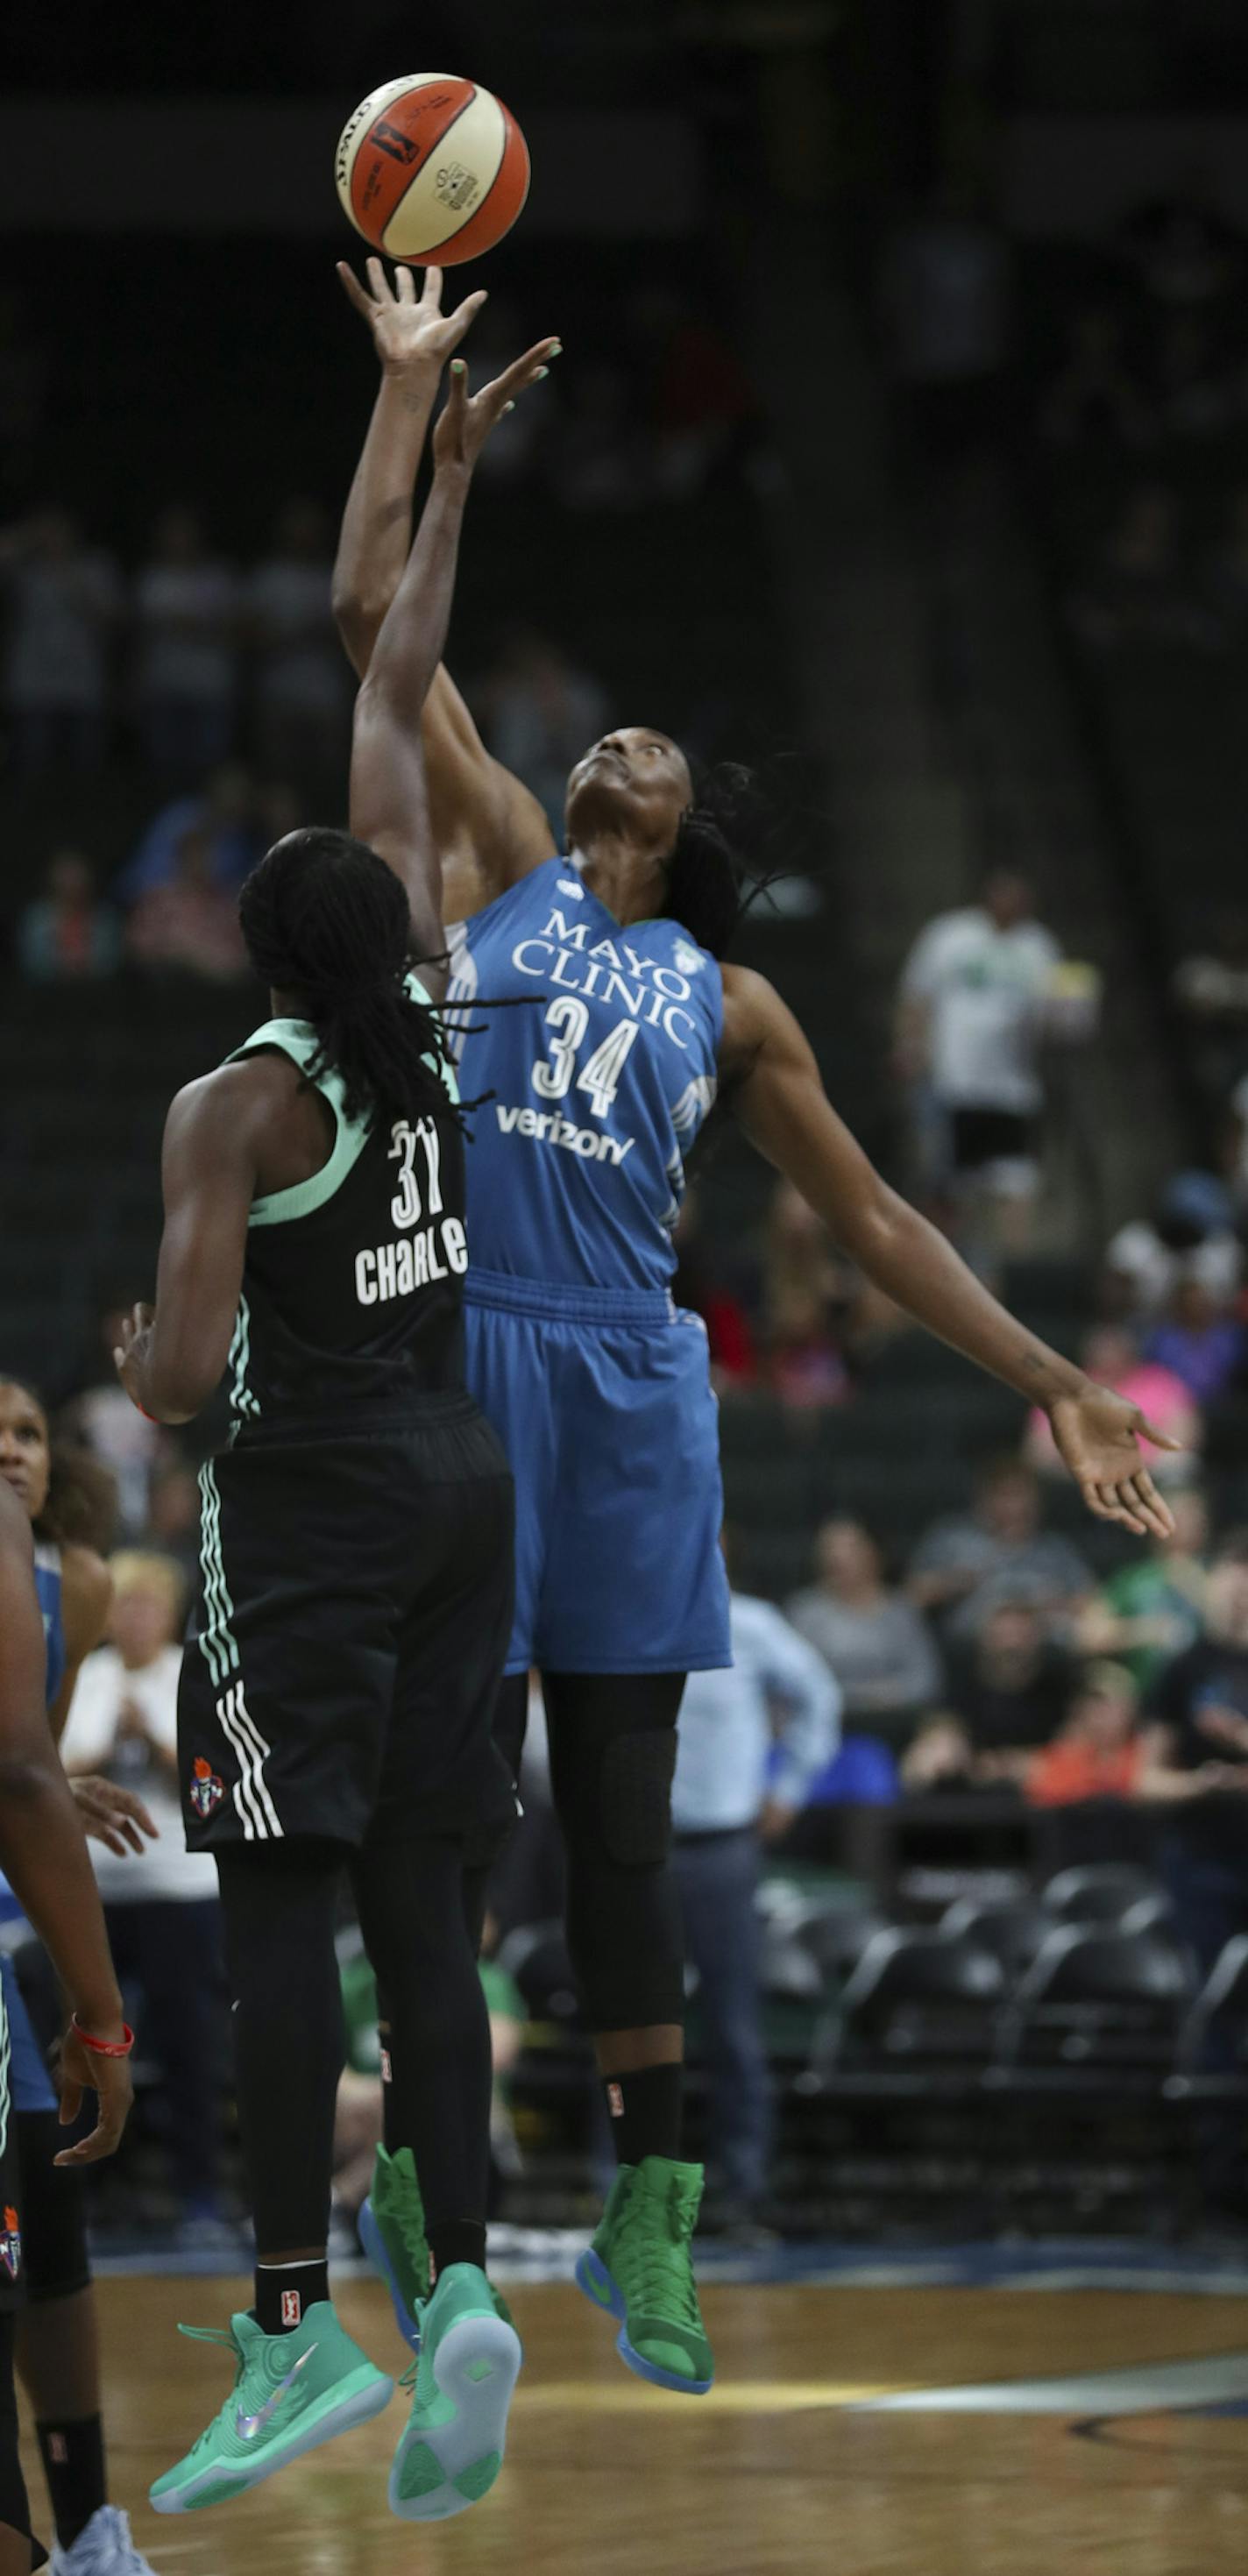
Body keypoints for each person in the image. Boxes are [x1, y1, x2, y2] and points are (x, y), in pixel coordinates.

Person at [333, 255, 1179, 2402]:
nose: (611, 731)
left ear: (685, 821)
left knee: (624, 1828)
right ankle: (421, 2187)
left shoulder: (736, 999)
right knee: (444, 1801)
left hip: (626, 1375)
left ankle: (652, 2209)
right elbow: (370, 623)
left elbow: (881, 1221)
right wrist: (423, 419)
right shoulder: (506, 862)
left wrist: (1058, 1370)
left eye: (650, 740)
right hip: (473, 1346)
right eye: (597, 726)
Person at [112, 334, 550, 2524]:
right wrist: (434, 456)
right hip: (466, 1482)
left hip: (304, 1508)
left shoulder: (241, 1099)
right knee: (427, 1908)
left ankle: (294, 2321)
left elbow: (187, 1386)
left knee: (281, 1900)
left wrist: (133, 1363)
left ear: (256, 941)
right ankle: (462, 2271)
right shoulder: (440, 1013)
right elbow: (397, 688)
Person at [0, 1382, 157, 2576]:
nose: (9, 1448)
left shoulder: (81, 1581)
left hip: (12, 1924)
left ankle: (90, 2526)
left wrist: (59, 1779)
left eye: (28, 1430)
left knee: (48, 2240)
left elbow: (25, 1757)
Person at [57, 1555, 225, 2235]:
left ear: (167, 1611)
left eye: (147, 1605)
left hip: (180, 1889)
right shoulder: (87, 1675)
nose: (135, 1618)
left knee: (190, 2043)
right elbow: (52, 1770)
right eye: (123, 1606)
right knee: (89, 2043)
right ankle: (91, 2195)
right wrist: (104, 1748)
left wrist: (153, 1739)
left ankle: (200, 2196)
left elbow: (214, 1778)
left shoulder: (192, 1671)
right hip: (93, 1891)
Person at [671, 1583, 838, 2233]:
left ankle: (743, 2187)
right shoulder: (624, 1611)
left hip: (722, 1842)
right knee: (626, 2025)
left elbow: (819, 1696)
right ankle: (623, 2197)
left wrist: (790, 1785)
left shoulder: (750, 1622)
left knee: (732, 2023)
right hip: (637, 1845)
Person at [895, 865, 1065, 1244]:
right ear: (988, 895)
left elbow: (1056, 1016)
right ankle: (943, 1267)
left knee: (1015, 1183)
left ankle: (1011, 1278)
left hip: (1013, 1089)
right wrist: (910, 1045)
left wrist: (1067, 1017)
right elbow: (917, 996)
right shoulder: (950, 935)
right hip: (953, 1082)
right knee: (948, 1188)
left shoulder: (1039, 945)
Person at [908, 1456, 1093, 1643]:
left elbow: (1090, 1603)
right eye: (1006, 1496)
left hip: (1043, 1647)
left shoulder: (1055, 1549)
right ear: (984, 1499)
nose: (1016, 1507)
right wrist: (954, 1582)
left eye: (1023, 1496)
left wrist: (1056, 1601)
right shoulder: (953, 1538)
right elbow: (913, 1596)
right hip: (969, 1646)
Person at [786, 1519, 941, 1729]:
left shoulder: (901, 1611)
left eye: (850, 1548)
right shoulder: (804, 1612)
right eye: (829, 1548)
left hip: (895, 1723)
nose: (837, 1557)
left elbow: (924, 1680)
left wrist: (881, 1698)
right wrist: (855, 1699)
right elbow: (794, 1679)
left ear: (874, 1553)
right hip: (825, 1725)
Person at [0, 510, 117, 774]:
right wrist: (26, 535)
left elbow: (110, 617)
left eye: (59, 529)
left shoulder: (95, 566)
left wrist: (67, 574)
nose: (54, 536)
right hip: (32, 683)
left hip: (84, 683)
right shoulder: (25, 570)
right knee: (33, 764)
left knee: (85, 765)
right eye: (48, 530)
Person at [245, 500, 351, 786]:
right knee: (279, 774)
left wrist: (319, 632)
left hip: (323, 694)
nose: (303, 535)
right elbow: (251, 634)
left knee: (326, 776)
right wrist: (293, 633)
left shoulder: (335, 576)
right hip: (278, 690)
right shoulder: (268, 578)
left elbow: (350, 635)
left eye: (310, 529)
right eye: (298, 528)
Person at [131, 507, 238, 777]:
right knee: (164, 766)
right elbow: (140, 634)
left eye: (185, 533)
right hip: (162, 684)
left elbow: (235, 627)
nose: (179, 539)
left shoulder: (218, 577)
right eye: (173, 533)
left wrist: (185, 624)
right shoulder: (152, 579)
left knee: (208, 768)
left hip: (209, 687)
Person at [1077, 1484, 1209, 1689]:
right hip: (1143, 1695)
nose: (1190, 1524)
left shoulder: (1220, 1574)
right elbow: (1088, 1635)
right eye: (1181, 1516)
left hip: (1202, 1697)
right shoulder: (1134, 1579)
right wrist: (1147, 1631)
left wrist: (1197, 1588)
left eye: (1196, 1517)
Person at [1027, 1662, 1158, 1807]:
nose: (1102, 1717)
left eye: (1113, 1707)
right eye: (1096, 1707)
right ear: (1080, 1710)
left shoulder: (1145, 1752)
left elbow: (1148, 1787)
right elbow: (1046, 1791)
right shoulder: (1065, 1752)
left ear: (1131, 1711)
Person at [17, 855, 122, 985]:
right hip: (46, 991)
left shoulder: (104, 917)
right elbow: (34, 963)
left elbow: (107, 963)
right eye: (66, 877)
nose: (71, 884)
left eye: (76, 877)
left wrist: (82, 966)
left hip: (96, 990)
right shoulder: (37, 918)